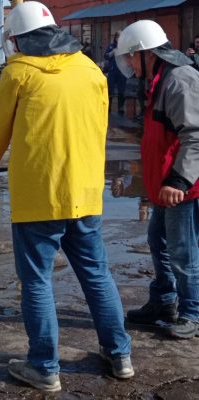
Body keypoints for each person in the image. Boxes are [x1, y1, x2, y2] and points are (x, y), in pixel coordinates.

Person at [0, 2, 133, 391]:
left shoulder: (19, 73)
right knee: (96, 273)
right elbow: (99, 126)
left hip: (39, 194)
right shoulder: (90, 70)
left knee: (36, 281)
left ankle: (44, 367)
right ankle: (119, 356)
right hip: (85, 191)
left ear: (18, 39)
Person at [115, 20, 199, 339]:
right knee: (159, 242)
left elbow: (195, 136)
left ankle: (192, 312)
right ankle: (164, 302)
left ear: (147, 54)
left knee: (183, 251)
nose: (128, 64)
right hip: (167, 186)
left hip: (184, 188)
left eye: (130, 57)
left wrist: (178, 181)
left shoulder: (179, 79)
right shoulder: (159, 79)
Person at [105, 31, 128, 114]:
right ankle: (108, 107)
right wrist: (111, 53)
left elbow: (130, 56)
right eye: (117, 37)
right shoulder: (111, 46)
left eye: (120, 37)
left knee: (121, 91)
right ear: (115, 38)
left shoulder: (125, 47)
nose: (118, 39)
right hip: (112, 71)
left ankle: (121, 108)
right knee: (110, 91)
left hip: (121, 72)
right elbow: (105, 56)